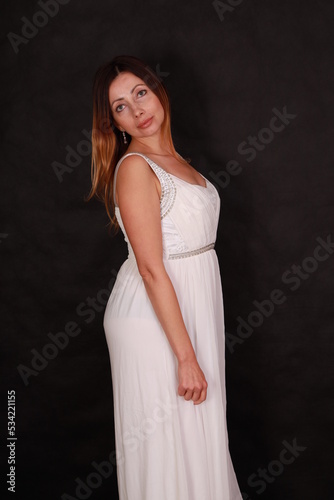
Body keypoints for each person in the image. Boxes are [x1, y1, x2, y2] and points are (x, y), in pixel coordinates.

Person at [87, 55, 242, 500]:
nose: (137, 110)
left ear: (158, 91)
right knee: (169, 443)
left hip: (188, 303)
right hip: (151, 317)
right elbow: (152, 268)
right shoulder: (136, 167)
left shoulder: (174, 160)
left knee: (195, 433)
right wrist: (186, 356)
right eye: (120, 106)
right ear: (113, 122)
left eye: (140, 92)